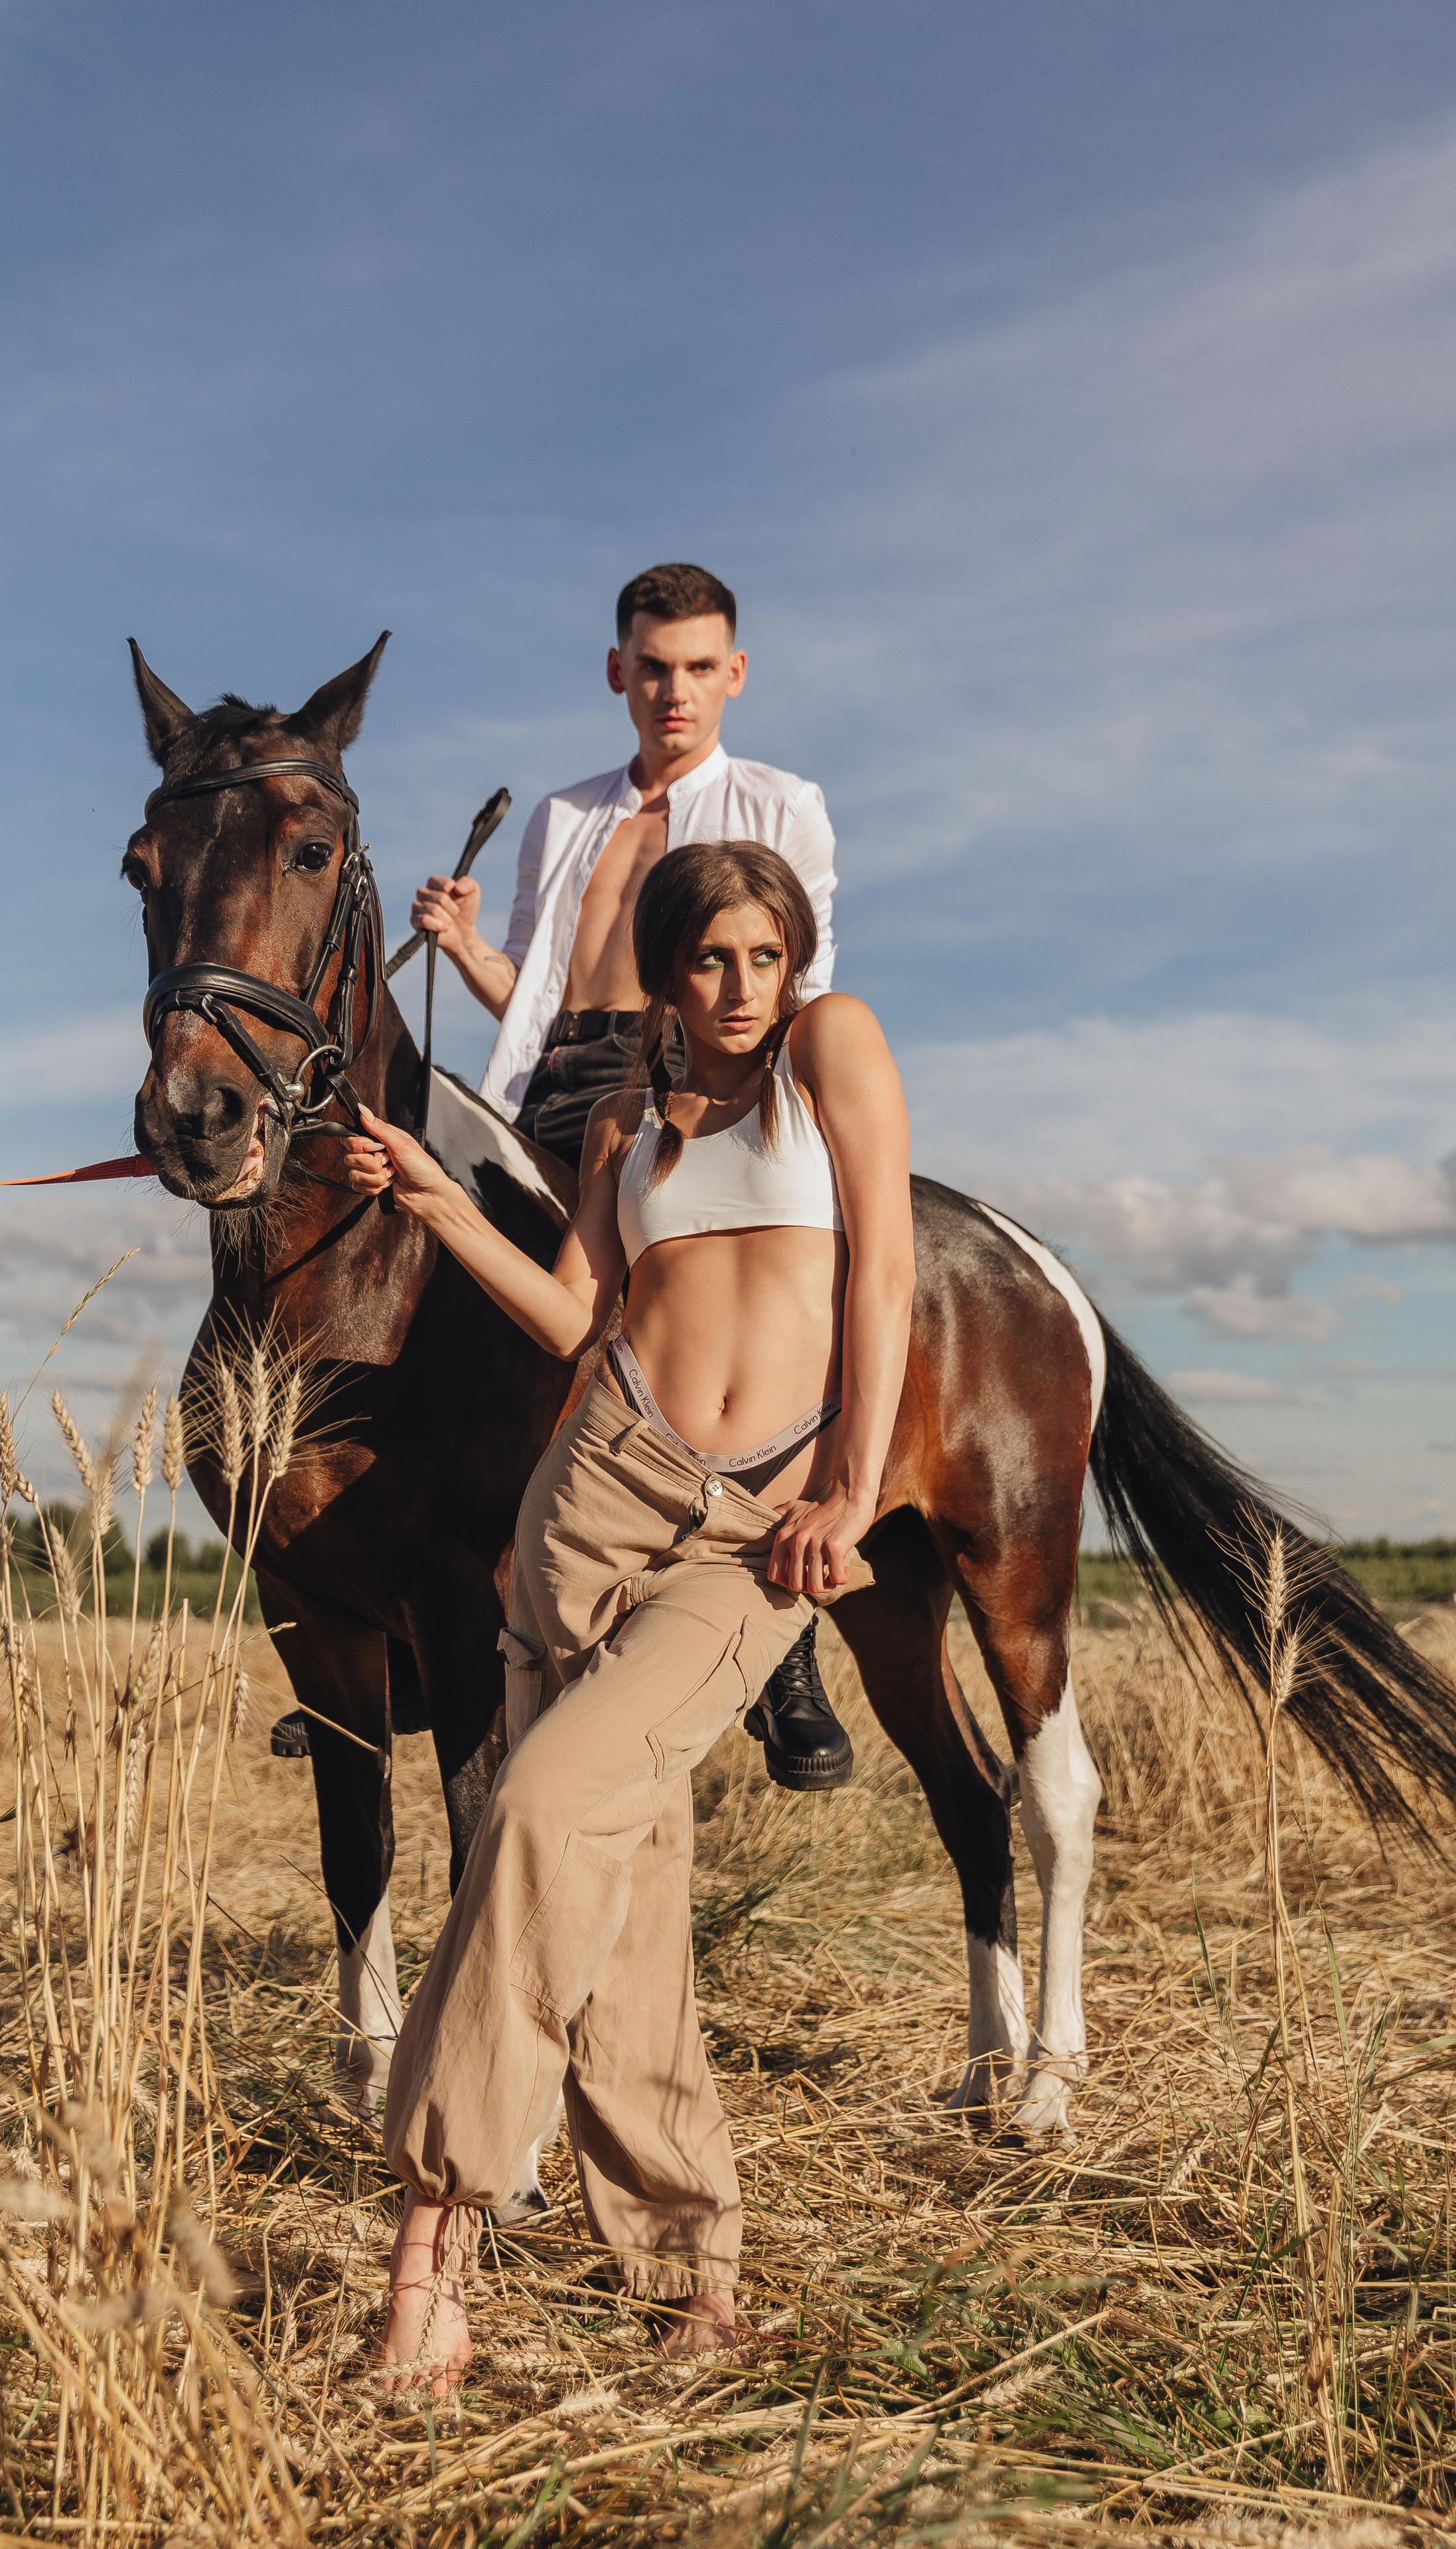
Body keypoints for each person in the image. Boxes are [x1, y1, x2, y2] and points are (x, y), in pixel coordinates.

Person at [340, 840, 915, 2388]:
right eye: (709, 962)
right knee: (621, 1878)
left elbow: (884, 1278)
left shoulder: (830, 1049)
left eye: (762, 957)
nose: (740, 990)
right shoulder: (625, 1120)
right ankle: (694, 2276)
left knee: (531, 1810)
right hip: (594, 1498)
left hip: (749, 1536)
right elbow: (575, 1321)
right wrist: (436, 1205)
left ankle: (428, 2247)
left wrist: (845, 1496)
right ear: (665, 973)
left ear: (793, 961)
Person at [409, 562, 851, 1792]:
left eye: (700, 668)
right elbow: (542, 998)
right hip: (550, 1075)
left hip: (695, 1072)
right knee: (416, 1273)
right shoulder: (562, 816)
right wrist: (464, 951)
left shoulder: (779, 801)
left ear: (735, 676)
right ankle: (415, 1606)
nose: (675, 691)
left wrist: (727, 1103)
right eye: (653, 667)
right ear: (619, 671)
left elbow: (787, 977)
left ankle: (782, 1639)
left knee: (690, 1312)